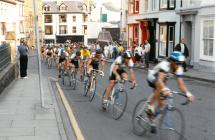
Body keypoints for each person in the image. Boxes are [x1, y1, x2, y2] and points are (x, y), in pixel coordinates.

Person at [146, 51, 194, 133]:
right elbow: (159, 80)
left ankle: (152, 119)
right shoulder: (165, 65)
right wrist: (165, 89)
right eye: (177, 63)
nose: (179, 65)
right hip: (152, 77)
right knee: (160, 87)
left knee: (162, 104)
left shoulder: (179, 68)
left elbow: (181, 84)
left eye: (181, 63)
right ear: (172, 61)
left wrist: (188, 93)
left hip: (162, 80)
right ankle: (150, 106)